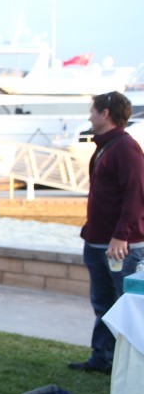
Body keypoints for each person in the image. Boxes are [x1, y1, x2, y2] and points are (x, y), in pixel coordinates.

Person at [68, 91, 144, 375]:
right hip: (98, 242)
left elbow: (136, 195)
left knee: (123, 305)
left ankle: (123, 365)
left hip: (120, 247)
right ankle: (101, 357)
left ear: (105, 114)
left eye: (92, 110)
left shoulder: (126, 148)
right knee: (102, 303)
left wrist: (121, 235)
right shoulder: (105, 147)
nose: (89, 115)